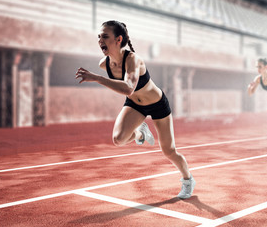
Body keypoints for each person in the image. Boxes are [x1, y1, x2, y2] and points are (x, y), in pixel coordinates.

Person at [75, 20, 195, 199]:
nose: (100, 40)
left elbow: (128, 88)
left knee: (169, 151)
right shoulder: (104, 64)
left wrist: (98, 79)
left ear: (118, 39)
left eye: (105, 36)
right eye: (99, 36)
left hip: (157, 104)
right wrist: (99, 77)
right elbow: (129, 94)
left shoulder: (133, 60)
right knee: (118, 138)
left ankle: (188, 180)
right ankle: (140, 133)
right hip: (135, 104)